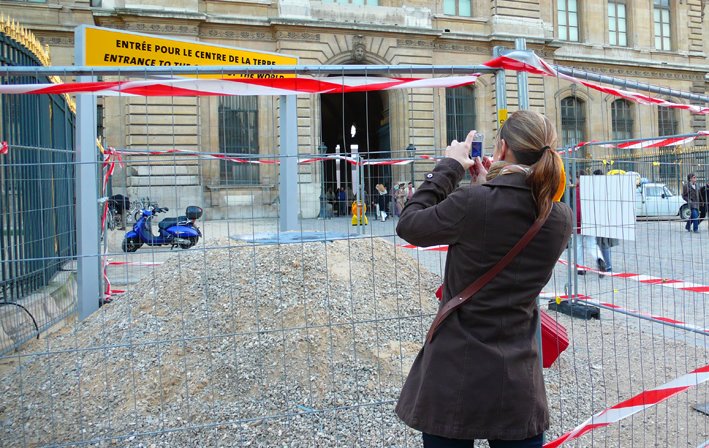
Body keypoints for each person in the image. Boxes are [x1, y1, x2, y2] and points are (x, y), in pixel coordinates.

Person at [395, 110, 573, 448]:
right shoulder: (560, 216)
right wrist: (488, 186)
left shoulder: (474, 203)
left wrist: (450, 167)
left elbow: (409, 224)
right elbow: (508, 217)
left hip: (454, 370)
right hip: (517, 376)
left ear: (502, 148)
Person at [573, 169, 604, 275]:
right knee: (592, 244)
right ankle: (599, 258)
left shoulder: (575, 190)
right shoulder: (592, 189)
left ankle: (580, 268)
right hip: (590, 219)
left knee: (578, 245)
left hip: (578, 220)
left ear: (578, 179)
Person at [592, 169, 618, 274]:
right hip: (603, 219)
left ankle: (607, 265)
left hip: (603, 219)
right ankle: (605, 265)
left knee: (603, 244)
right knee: (601, 243)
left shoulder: (601, 189)